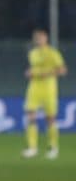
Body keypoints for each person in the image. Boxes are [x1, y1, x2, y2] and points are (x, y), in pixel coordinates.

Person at [21, 29, 65, 159]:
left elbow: (62, 70)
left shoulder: (53, 53)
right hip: (34, 87)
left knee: (50, 118)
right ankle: (32, 148)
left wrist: (46, 73)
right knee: (30, 116)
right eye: (37, 38)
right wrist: (29, 73)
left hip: (49, 88)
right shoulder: (32, 53)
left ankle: (53, 147)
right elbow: (34, 68)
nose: (39, 40)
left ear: (46, 39)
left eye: (41, 38)